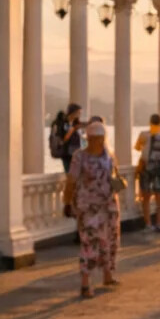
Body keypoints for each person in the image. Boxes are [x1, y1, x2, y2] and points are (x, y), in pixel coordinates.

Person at [65, 121, 120, 295]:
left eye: (99, 138)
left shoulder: (109, 155)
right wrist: (67, 202)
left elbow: (115, 175)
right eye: (93, 138)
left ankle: (107, 274)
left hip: (109, 204)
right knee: (89, 242)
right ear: (88, 138)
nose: (95, 141)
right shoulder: (79, 156)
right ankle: (85, 282)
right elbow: (71, 181)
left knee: (110, 239)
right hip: (88, 206)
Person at [135, 112, 160, 233]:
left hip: (146, 168)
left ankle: (148, 224)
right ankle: (159, 224)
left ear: (150, 122)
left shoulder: (143, 135)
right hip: (159, 168)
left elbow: (137, 148)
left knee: (146, 198)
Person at [51, 103, 84, 173]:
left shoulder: (76, 123)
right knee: (69, 172)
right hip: (67, 153)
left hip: (77, 152)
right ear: (73, 112)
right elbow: (64, 139)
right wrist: (73, 129)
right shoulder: (64, 123)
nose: (79, 115)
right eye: (78, 112)